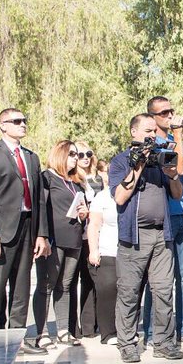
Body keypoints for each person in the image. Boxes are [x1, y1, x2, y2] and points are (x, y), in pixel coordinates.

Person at [109, 113, 183, 362]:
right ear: (134, 132)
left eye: (154, 131)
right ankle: (127, 343)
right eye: (147, 130)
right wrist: (139, 164)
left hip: (161, 235)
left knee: (164, 290)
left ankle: (163, 342)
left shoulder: (161, 157)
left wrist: (172, 173)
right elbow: (120, 197)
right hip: (134, 237)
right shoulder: (121, 161)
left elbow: (177, 194)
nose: (152, 135)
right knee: (129, 292)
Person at [0, 107, 51, 354]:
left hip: (28, 228)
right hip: (1, 231)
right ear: (3, 126)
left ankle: (18, 341)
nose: (22, 124)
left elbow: (39, 198)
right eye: (16, 121)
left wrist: (41, 233)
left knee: (21, 290)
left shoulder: (31, 157)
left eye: (24, 120)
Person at [147, 96, 183, 348]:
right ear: (153, 117)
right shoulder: (152, 144)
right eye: (164, 113)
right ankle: (152, 332)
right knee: (159, 280)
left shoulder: (174, 141)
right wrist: (178, 139)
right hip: (163, 217)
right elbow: (170, 173)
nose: (170, 116)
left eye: (172, 111)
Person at [31, 141, 88, 348]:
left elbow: (82, 209)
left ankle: (64, 330)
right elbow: (40, 209)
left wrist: (83, 213)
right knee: (46, 285)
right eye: (72, 153)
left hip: (74, 238)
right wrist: (42, 236)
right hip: (53, 240)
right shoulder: (46, 178)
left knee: (65, 285)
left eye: (78, 154)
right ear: (60, 154)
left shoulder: (76, 182)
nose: (76, 158)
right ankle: (41, 331)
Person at [85, 160, 119, 343]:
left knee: (128, 292)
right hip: (107, 250)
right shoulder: (102, 197)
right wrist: (93, 250)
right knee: (107, 291)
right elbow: (94, 225)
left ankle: (125, 329)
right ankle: (108, 333)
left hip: (128, 251)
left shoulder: (131, 194)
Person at [73, 141, 101, 338]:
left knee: (93, 281)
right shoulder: (72, 179)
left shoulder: (100, 178)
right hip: (78, 234)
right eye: (80, 154)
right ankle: (73, 327)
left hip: (99, 235)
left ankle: (92, 325)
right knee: (73, 282)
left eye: (88, 154)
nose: (84, 158)